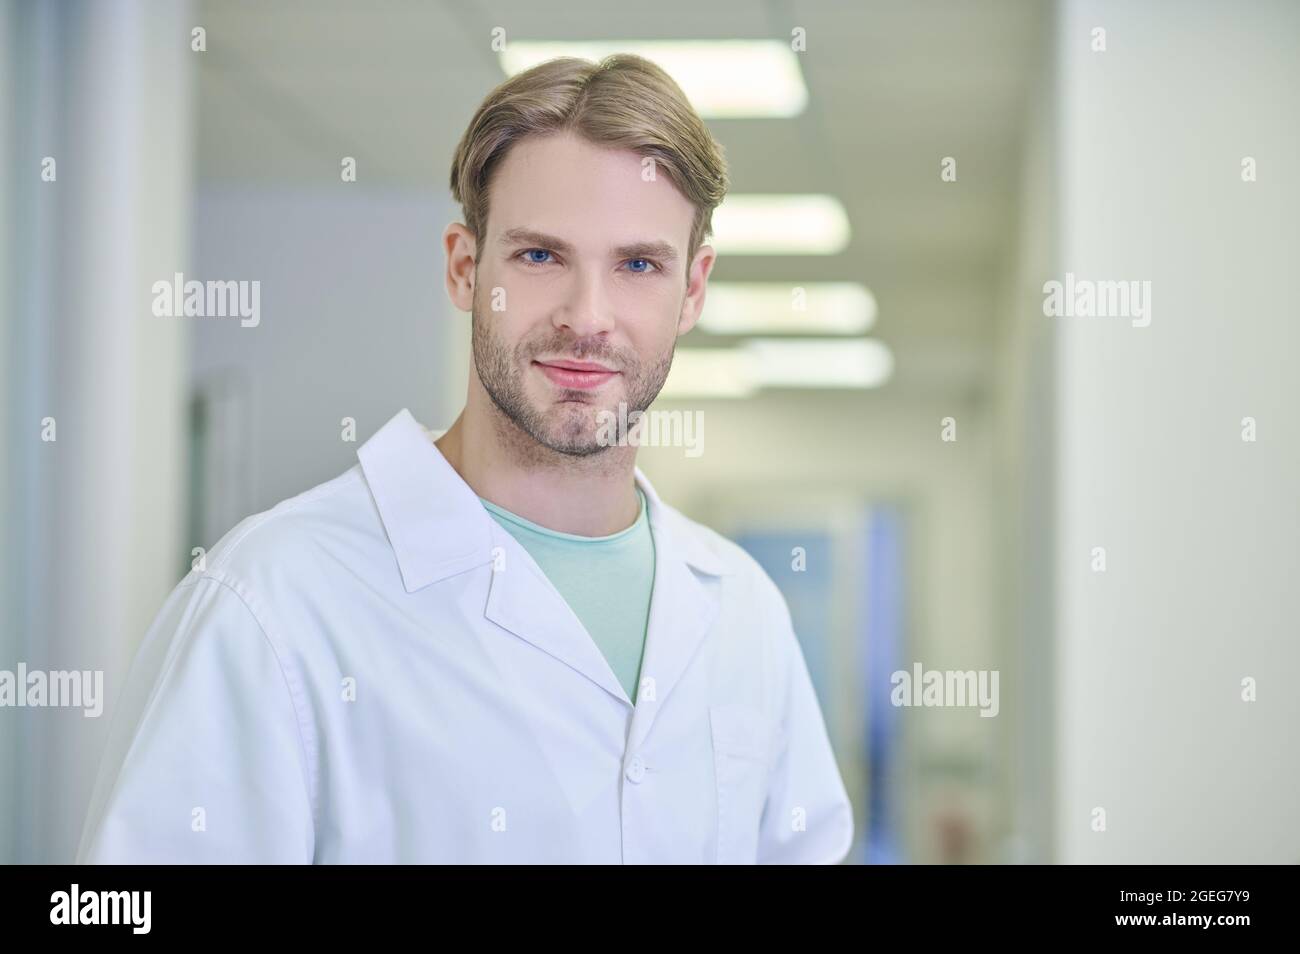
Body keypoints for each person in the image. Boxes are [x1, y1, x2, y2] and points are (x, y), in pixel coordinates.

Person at [76, 54, 853, 864]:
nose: (588, 318)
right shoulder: (272, 603)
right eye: (540, 256)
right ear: (464, 267)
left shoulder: (743, 615)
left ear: (692, 290)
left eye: (637, 265)